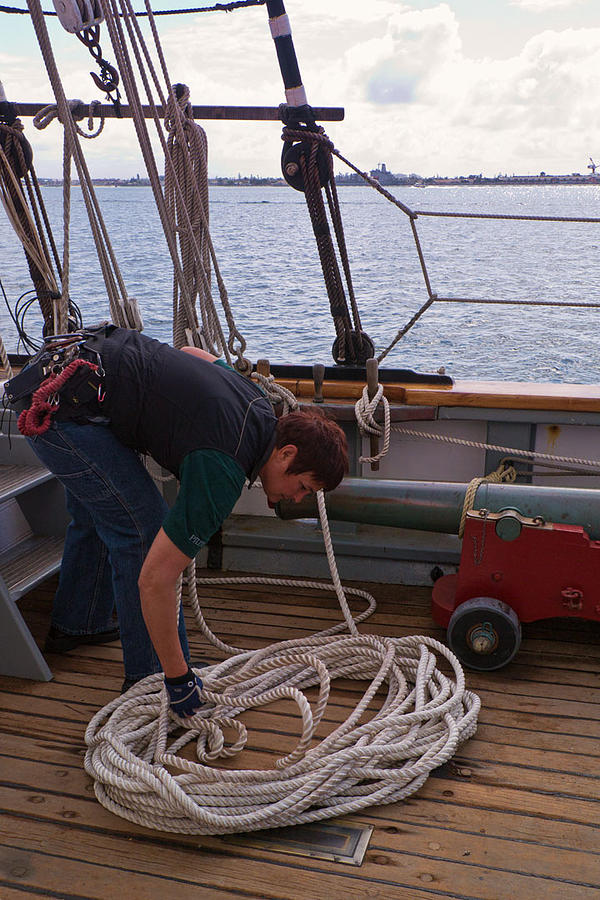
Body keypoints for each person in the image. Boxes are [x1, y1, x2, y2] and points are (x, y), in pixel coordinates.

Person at [13, 325, 348, 716]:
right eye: (304, 487)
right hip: (56, 411)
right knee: (143, 532)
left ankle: (79, 621)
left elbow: (192, 353)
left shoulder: (258, 403)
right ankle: (149, 679)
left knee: (104, 507)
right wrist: (178, 678)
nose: (297, 498)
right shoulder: (222, 470)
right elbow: (154, 579)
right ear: (287, 454)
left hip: (66, 375)